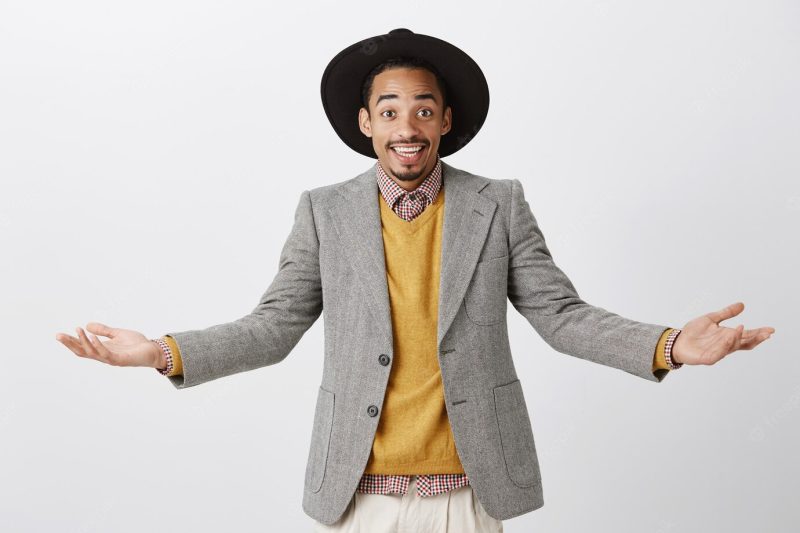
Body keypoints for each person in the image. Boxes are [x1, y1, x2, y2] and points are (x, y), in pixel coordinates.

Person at [56, 28, 775, 532]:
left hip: (470, 487)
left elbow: (560, 313)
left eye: (424, 109)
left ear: (446, 121)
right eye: (391, 110)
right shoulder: (324, 212)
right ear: (366, 122)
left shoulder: (499, 203)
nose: (409, 124)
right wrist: (161, 350)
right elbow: (273, 327)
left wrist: (671, 344)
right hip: (355, 495)